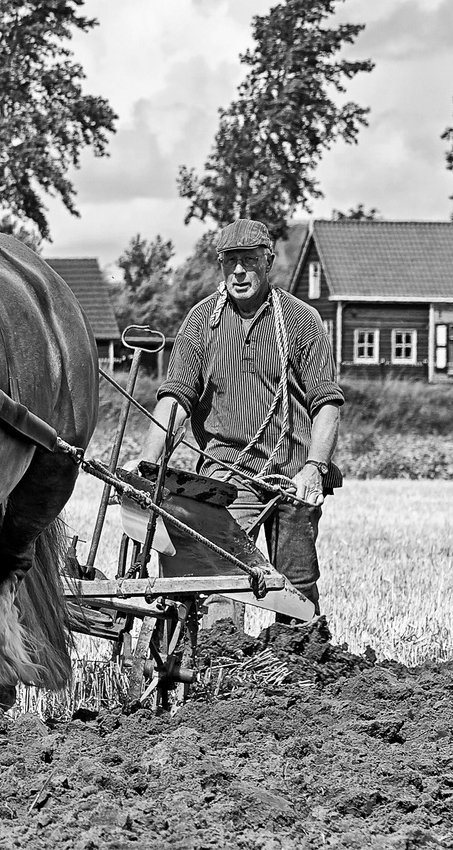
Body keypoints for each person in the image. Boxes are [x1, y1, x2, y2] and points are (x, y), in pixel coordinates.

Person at [135, 218, 343, 618]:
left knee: (296, 588)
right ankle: (220, 665)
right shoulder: (202, 321)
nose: (240, 271)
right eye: (231, 261)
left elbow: (326, 405)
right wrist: (146, 463)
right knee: (220, 583)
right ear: (221, 265)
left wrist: (315, 469)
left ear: (268, 262)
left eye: (249, 260)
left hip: (292, 476)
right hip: (227, 474)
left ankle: (301, 667)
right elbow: (176, 397)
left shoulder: (302, 321)